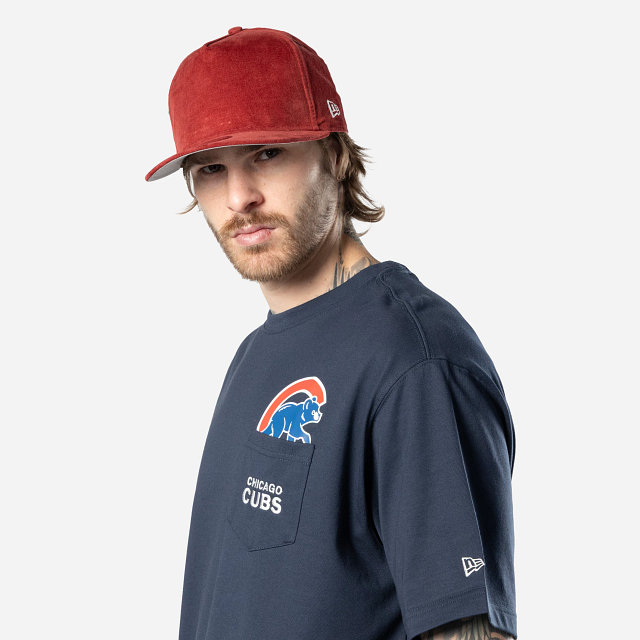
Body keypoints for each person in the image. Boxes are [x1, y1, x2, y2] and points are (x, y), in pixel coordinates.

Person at [145, 26, 517, 640]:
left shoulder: (416, 362)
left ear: (337, 155)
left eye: (268, 153)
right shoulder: (255, 354)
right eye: (211, 168)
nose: (239, 196)